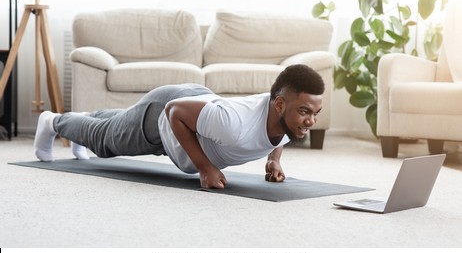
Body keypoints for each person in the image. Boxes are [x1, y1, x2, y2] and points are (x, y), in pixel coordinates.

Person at [34, 64, 324, 189]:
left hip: (196, 109)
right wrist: (205, 167)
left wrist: (274, 160)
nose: (310, 122)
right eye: (304, 112)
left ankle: (84, 118)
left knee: (120, 122)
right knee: (105, 142)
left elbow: (283, 133)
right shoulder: (234, 124)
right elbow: (174, 112)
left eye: (315, 113)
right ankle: (54, 121)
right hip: (167, 112)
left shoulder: (284, 115)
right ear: (280, 106)